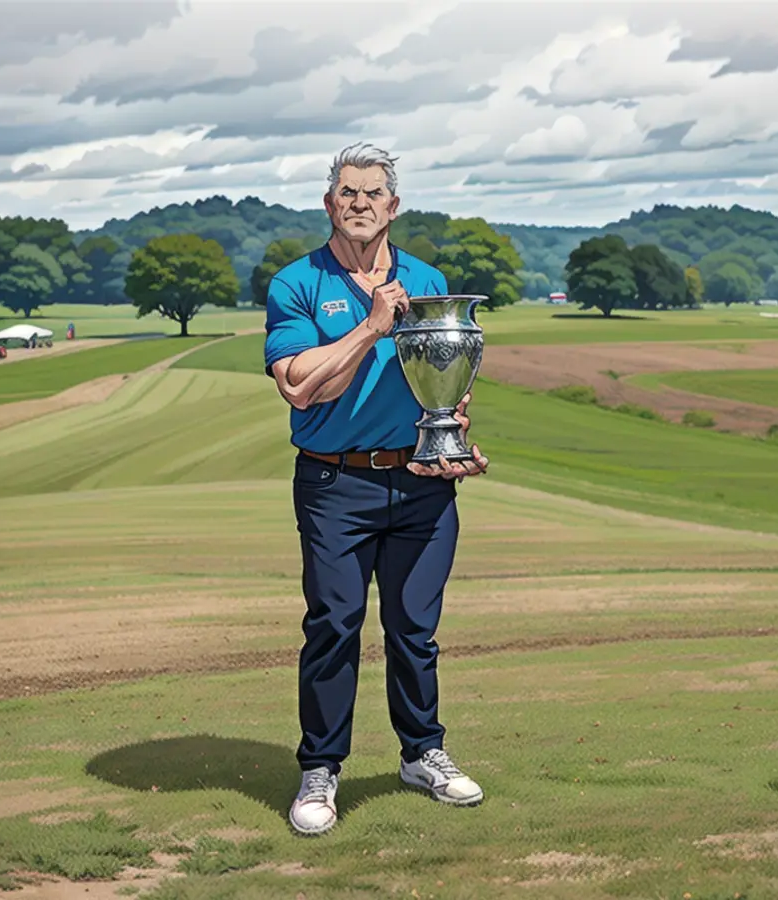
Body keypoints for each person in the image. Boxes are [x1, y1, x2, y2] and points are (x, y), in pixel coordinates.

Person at [264, 142, 489, 836]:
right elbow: (300, 388)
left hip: (420, 482)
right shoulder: (297, 284)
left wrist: (452, 433)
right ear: (329, 203)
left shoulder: (426, 278)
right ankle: (320, 769)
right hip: (335, 483)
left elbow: (445, 377)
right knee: (334, 626)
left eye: (372, 193)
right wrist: (370, 327)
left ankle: (423, 753)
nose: (359, 202)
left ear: (393, 206)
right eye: (346, 191)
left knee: (415, 631)